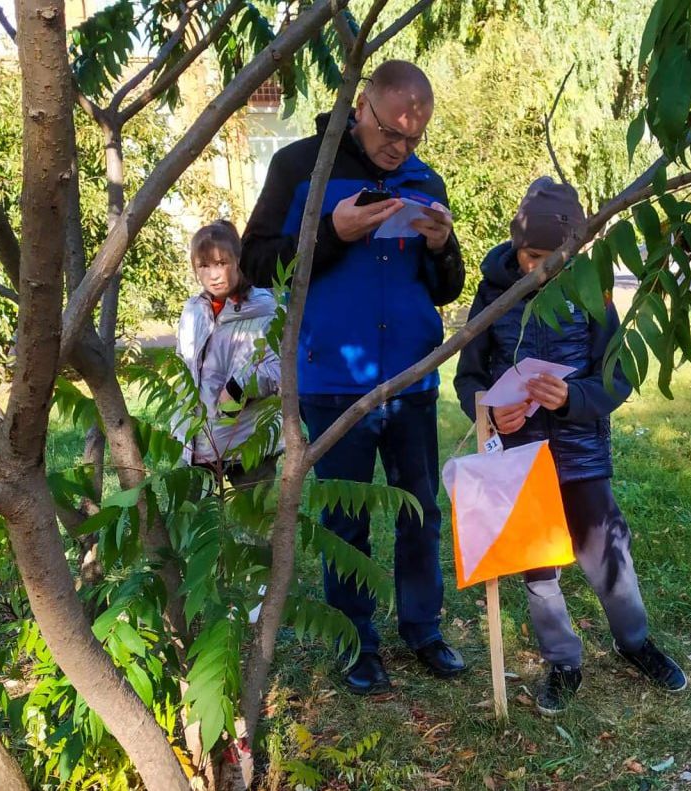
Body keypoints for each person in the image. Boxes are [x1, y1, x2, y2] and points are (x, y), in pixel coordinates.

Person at [240, 60, 466, 694]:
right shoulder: (300, 167)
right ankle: (356, 642)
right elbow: (256, 260)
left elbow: (448, 288)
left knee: (421, 510)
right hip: (334, 380)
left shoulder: (426, 179)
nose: (401, 147)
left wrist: (443, 246)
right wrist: (330, 234)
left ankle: (424, 629)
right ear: (362, 107)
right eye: (391, 132)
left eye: (414, 138)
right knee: (346, 521)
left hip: (414, 379)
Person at [453, 177, 687, 716]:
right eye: (531, 255)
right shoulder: (493, 292)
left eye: (554, 257)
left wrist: (571, 395)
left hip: (580, 452)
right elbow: (468, 378)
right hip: (520, 456)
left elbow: (618, 375)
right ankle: (562, 660)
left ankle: (635, 643)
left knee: (608, 552)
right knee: (538, 566)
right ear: (516, 246)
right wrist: (488, 408)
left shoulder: (591, 291)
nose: (541, 267)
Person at [175, 220, 281, 488]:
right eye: (204, 265)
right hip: (196, 441)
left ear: (237, 260)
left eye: (221, 263)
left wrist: (238, 386)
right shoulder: (193, 311)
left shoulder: (266, 311)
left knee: (258, 524)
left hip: (247, 440)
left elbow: (281, 370)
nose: (214, 274)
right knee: (195, 523)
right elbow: (184, 367)